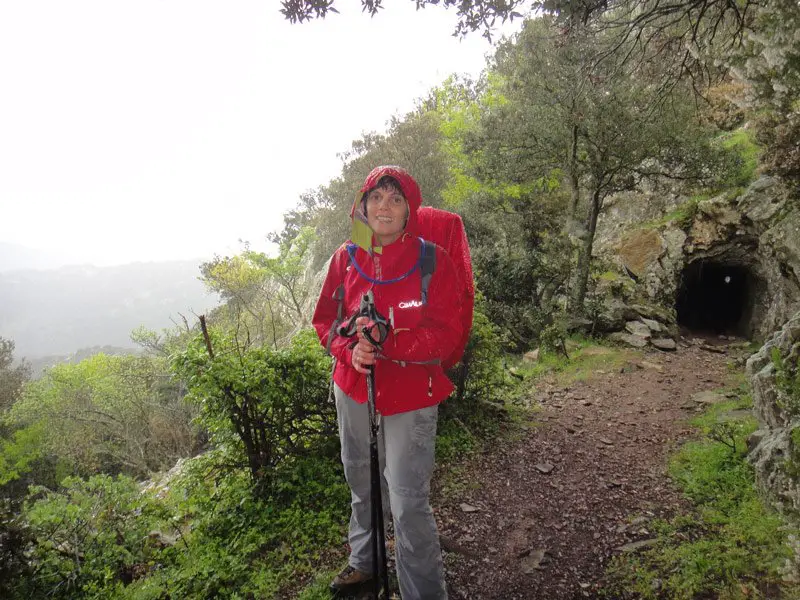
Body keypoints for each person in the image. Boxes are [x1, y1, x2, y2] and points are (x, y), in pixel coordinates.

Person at [312, 166, 463, 599]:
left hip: (411, 394)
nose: (385, 207)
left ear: (408, 211)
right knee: (360, 478)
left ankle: (423, 592)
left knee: (407, 498)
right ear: (362, 206)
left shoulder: (431, 259)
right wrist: (349, 349)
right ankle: (366, 560)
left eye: (395, 200)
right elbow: (327, 321)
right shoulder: (347, 256)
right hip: (354, 386)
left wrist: (392, 341)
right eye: (376, 197)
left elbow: (448, 333)